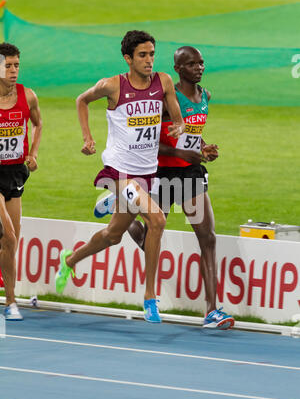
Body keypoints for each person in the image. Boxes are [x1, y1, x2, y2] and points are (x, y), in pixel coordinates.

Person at [99, 46, 234, 329]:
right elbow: (146, 140)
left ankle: (212, 311)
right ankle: (120, 204)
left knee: (207, 237)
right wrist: (179, 154)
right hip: (161, 174)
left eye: (201, 63)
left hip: (191, 176)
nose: (199, 68)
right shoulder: (161, 100)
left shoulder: (205, 96)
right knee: (148, 234)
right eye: (191, 64)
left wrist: (202, 148)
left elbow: (190, 135)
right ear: (178, 69)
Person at [55, 30, 185, 323]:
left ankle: (70, 260)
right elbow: (81, 100)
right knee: (157, 220)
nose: (149, 60)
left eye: (152, 54)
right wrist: (88, 138)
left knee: (113, 235)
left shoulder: (163, 82)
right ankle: (150, 297)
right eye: (142, 55)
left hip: (146, 172)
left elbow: (177, 118)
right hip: (119, 170)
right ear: (128, 58)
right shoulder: (113, 86)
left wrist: (179, 126)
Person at [0, 42, 42, 320]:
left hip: (15, 172)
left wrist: (33, 153)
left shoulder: (28, 96)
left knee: (13, 239)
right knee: (10, 237)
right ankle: (11, 302)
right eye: (8, 65)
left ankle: (9, 296)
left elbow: (38, 123)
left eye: (16, 65)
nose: (14, 70)